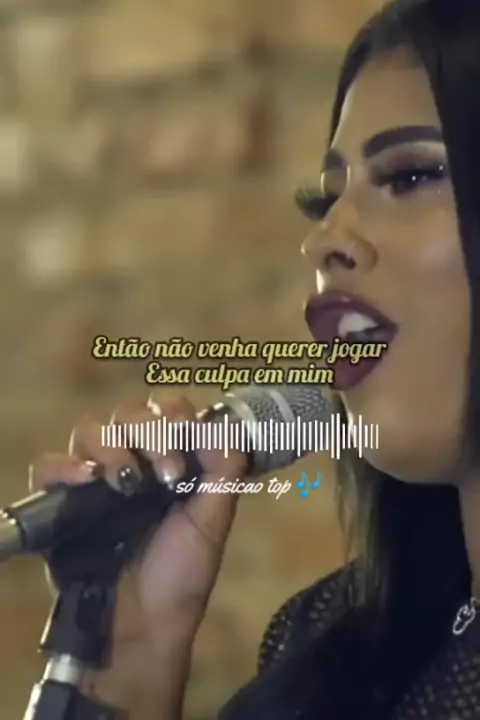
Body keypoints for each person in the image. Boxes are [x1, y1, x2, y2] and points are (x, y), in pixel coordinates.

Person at [28, 0, 480, 717]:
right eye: (326, 199)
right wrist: (133, 657)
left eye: (410, 176)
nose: (324, 239)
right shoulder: (320, 648)